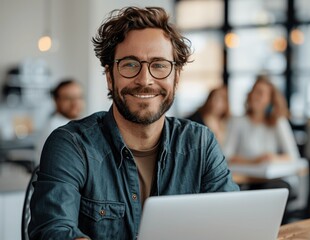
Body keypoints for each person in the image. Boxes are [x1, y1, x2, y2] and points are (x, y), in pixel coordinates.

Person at [29, 7, 239, 240]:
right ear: (110, 77)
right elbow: (52, 231)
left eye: (159, 65)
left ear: (176, 77)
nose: (145, 80)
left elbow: (231, 224)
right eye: (130, 64)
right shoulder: (72, 145)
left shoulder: (200, 143)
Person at [223, 75, 300, 165]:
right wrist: (255, 161)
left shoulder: (278, 122)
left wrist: (273, 158)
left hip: (270, 178)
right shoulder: (237, 122)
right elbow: (226, 156)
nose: (255, 96)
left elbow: (293, 156)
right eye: (253, 91)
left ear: (270, 100)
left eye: (260, 93)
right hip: (243, 177)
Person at [34, 79, 84, 164]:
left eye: (79, 97)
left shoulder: (76, 125)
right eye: (68, 98)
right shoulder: (56, 130)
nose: (75, 103)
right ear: (56, 101)